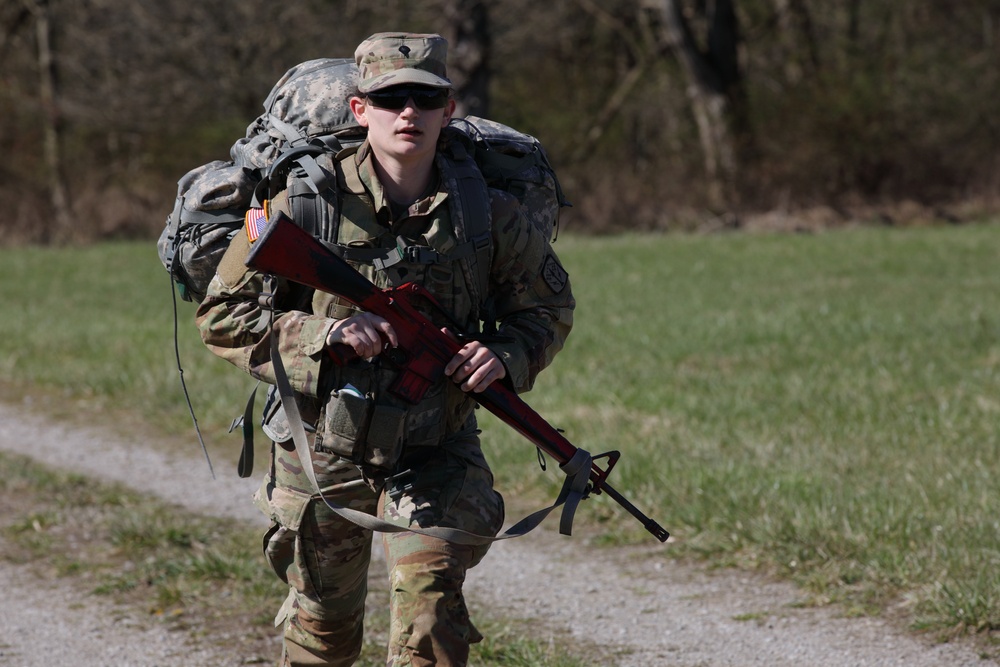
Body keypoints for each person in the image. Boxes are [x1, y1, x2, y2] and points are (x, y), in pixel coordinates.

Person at [196, 32, 574, 666]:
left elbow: (547, 310)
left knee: (430, 623)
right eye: (390, 97)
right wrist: (326, 335)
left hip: (435, 446)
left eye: (425, 99)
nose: (409, 113)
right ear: (358, 109)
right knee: (321, 635)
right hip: (321, 447)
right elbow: (222, 314)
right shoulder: (302, 207)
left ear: (449, 108)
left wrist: (505, 356)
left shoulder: (488, 216)